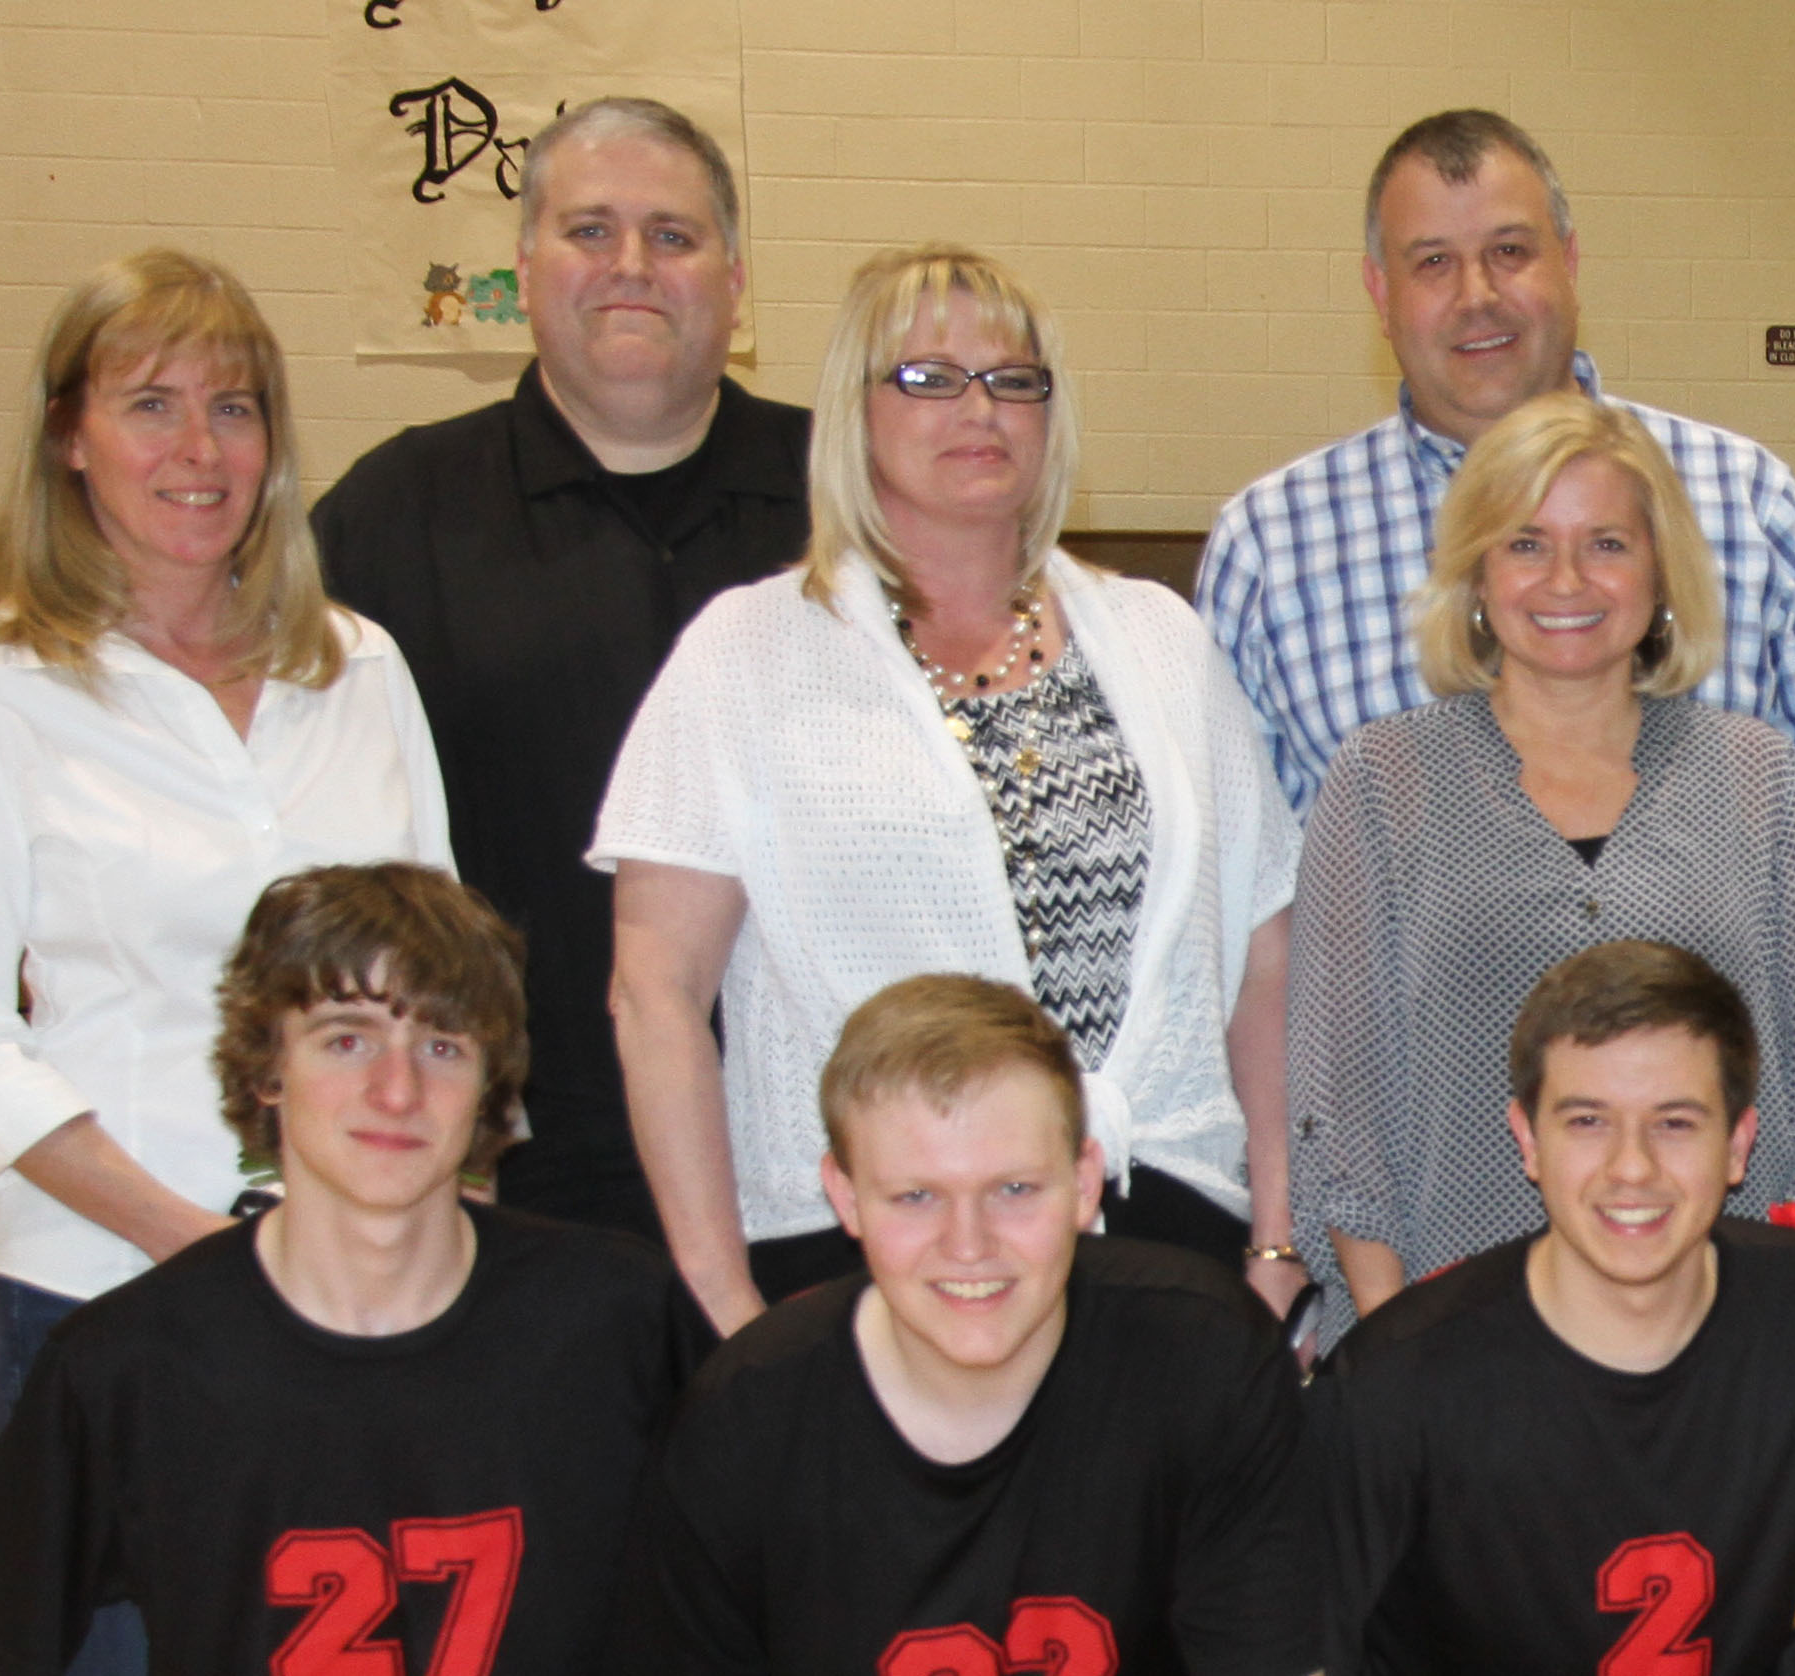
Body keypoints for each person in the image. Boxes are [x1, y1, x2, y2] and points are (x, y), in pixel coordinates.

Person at [596, 245, 1303, 1337]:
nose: (980, 406)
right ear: (852, 409)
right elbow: (654, 995)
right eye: (928, 375)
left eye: (1014, 377)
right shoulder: (747, 651)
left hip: (1160, 1224)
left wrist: (1274, 1239)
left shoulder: (1162, 641)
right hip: (865, 1247)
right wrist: (725, 1298)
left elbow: (1265, 959)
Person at [0, 249, 454, 1513]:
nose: (199, 447)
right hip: (105, 1289)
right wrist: (191, 1246)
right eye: (151, 403)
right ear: (67, 439)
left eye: (233, 406)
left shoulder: (359, 666)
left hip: (365, 1288)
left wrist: (426, 1228)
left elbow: (445, 992)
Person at [0, 864, 709, 1676]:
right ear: (267, 1069)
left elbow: (767, 1588)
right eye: (347, 1040)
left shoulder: (616, 1319)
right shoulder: (132, 1362)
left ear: (489, 1088)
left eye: (442, 1045)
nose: (398, 1091)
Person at [1201, 107, 1795, 992]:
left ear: (1571, 264)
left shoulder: (1742, 499)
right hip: (1411, 1119)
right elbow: (1235, 890)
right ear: (1380, 293)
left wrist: (1765, 1051)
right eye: (1433, 263)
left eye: (1511, 251)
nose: (1477, 294)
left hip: (1706, 1112)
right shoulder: (1272, 550)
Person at [1286, 392, 1795, 1346]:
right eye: (1527, 543)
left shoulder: (1756, 775)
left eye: (1607, 543)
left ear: (1661, 573)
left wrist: (1785, 1308)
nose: (1567, 579)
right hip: (1460, 1332)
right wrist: (1395, 1337)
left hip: (1724, 1330)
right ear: (1478, 571)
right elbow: (1339, 1100)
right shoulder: (1382, 780)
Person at [317, 97, 810, 1246]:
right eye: (590, 231)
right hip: (517, 1172)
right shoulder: (394, 518)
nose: (630, 266)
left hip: (823, 1159)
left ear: (736, 284)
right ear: (525, 268)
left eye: (672, 237)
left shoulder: (852, 494)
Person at [615, 974, 1316, 1675]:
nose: (969, 1244)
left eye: (1014, 1190)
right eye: (916, 1196)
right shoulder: (742, 1425)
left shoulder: (1203, 1358)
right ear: (846, 1198)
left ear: (1083, 1184)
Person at [1309, 941, 1795, 1676]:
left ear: (1738, 1145)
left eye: (1674, 1123)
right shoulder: (1394, 1382)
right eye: (1587, 1122)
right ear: (1526, 1140)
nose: (1631, 1167)